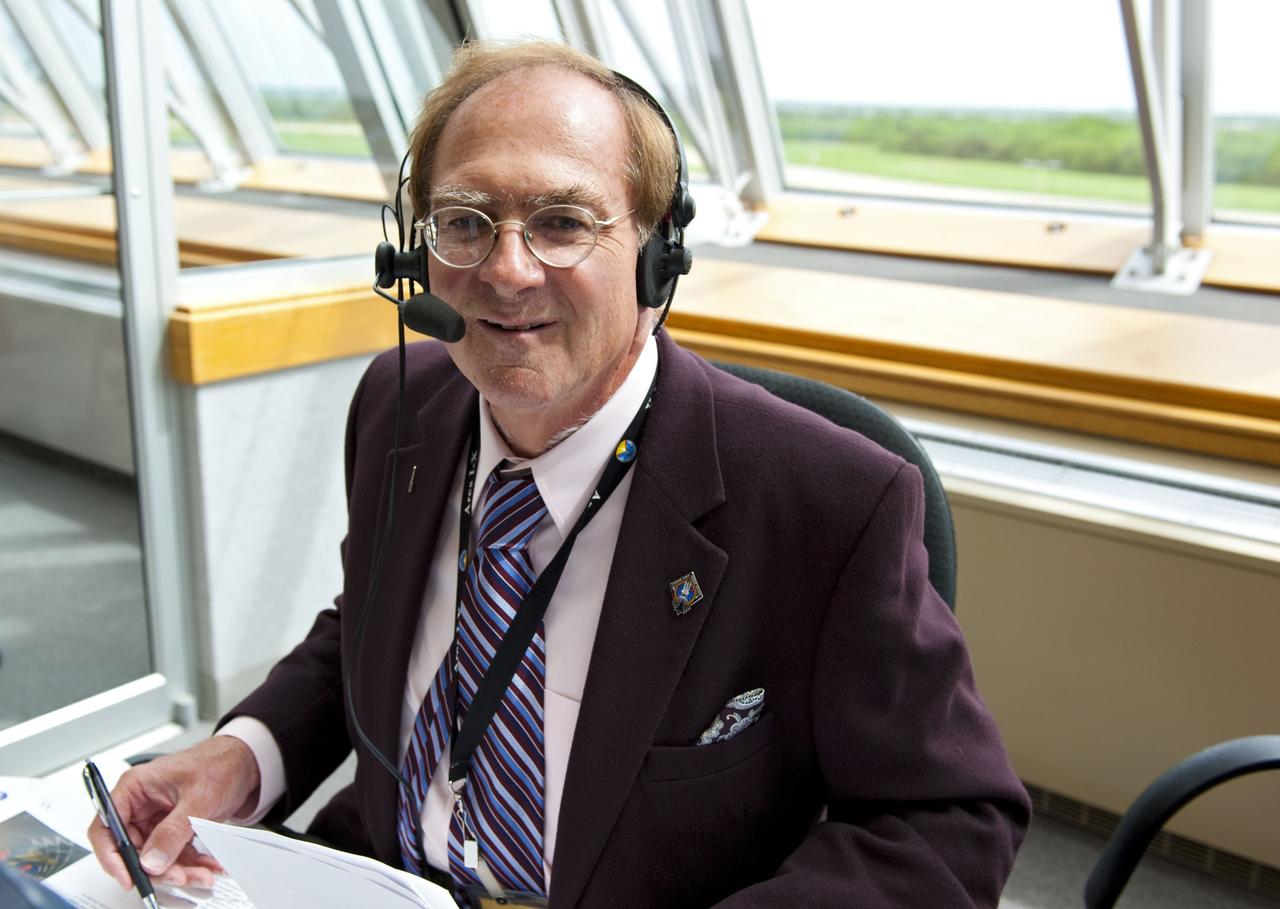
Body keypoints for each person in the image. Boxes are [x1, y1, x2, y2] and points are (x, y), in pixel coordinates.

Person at [90, 39, 1030, 907]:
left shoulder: (829, 499)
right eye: (465, 220)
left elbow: (948, 822)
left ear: (659, 253)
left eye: (562, 221)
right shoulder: (398, 404)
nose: (506, 269)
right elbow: (369, 632)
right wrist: (242, 754)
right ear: (415, 248)